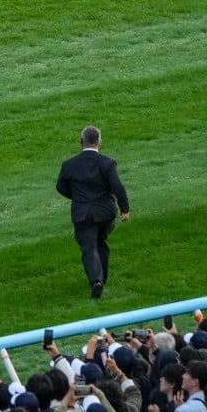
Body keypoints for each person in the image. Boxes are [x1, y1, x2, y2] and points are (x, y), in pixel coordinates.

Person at [56, 125, 130, 299]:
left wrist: (77, 197)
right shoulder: (108, 162)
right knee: (101, 242)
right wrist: (125, 209)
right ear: (100, 142)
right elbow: (118, 186)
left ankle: (96, 281)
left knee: (89, 247)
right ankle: (102, 278)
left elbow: (60, 186)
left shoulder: (69, 164)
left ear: (81, 142)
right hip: (105, 212)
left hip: (82, 213)